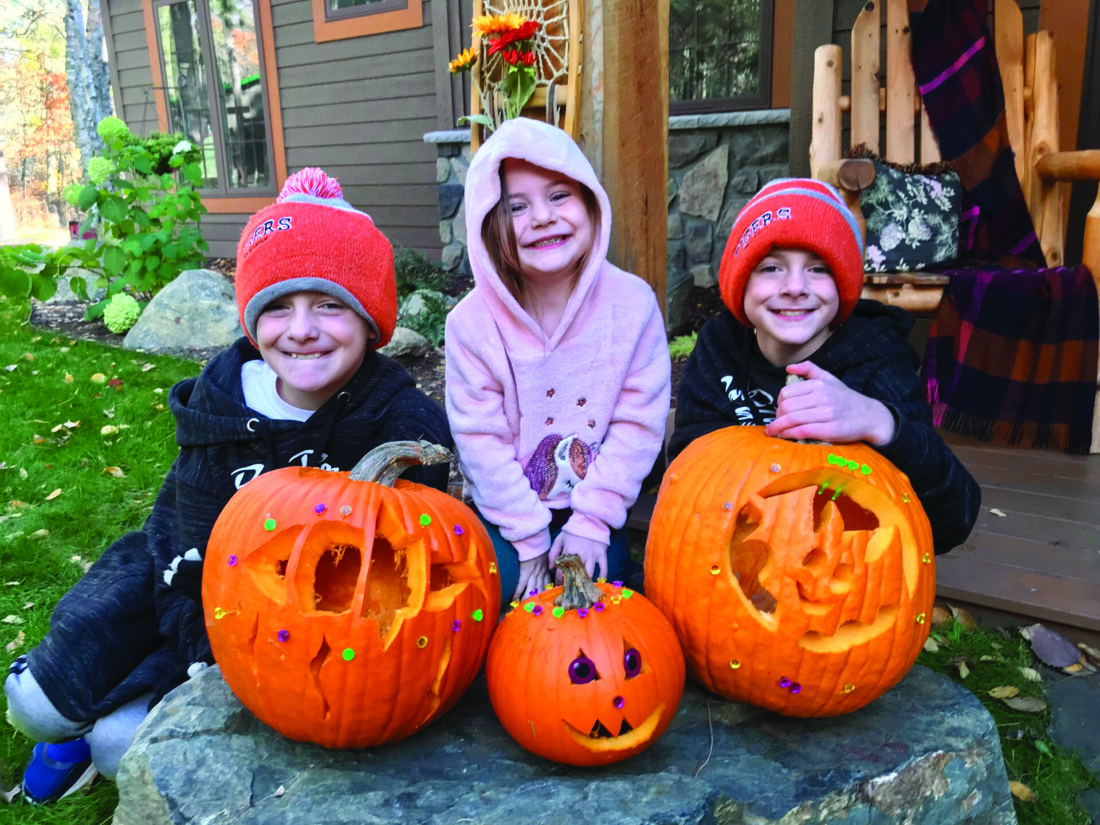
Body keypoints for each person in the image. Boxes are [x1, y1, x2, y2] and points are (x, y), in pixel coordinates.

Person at [4, 168, 452, 803]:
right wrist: (189, 634)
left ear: (371, 319)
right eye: (278, 305)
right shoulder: (220, 403)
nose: (302, 329)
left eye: (330, 304)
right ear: (251, 317)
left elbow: (416, 552)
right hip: (177, 569)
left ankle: (96, 734)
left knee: (121, 742)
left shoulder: (399, 421)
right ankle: (70, 725)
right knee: (34, 700)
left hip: (283, 616)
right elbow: (185, 542)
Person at [669, 177, 980, 553]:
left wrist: (879, 422)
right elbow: (688, 474)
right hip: (733, 554)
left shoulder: (878, 360)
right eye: (771, 268)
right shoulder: (720, 348)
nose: (795, 286)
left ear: (843, 284)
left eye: (818, 269)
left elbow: (954, 517)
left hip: (847, 562)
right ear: (741, 282)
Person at [445, 117, 671, 607]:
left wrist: (592, 522)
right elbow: (480, 441)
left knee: (600, 597)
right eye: (516, 207)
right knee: (504, 593)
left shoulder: (632, 305)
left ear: (590, 203)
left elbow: (638, 424)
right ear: (487, 225)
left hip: (597, 503)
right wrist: (528, 539)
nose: (543, 217)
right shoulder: (470, 325)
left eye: (559, 196)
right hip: (508, 509)